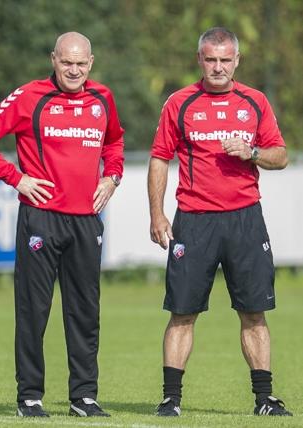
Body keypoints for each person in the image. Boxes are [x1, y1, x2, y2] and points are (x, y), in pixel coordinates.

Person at [0, 32, 124, 418]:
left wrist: (112, 177)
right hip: (41, 218)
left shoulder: (102, 97)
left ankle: (83, 398)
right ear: (53, 59)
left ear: (91, 63)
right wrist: (15, 178)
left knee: (85, 311)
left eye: (81, 63)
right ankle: (30, 398)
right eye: (66, 62)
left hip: (87, 221)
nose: (74, 70)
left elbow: (114, 143)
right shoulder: (29, 97)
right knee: (34, 310)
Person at [148, 27, 292, 417]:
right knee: (182, 312)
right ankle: (171, 399)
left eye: (225, 60)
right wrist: (157, 212)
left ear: (236, 61)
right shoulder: (180, 102)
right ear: (200, 60)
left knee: (253, 312)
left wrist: (252, 151)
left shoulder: (255, 101)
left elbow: (280, 156)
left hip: (245, 220)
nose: (217, 67)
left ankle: (265, 398)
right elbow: (160, 156)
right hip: (193, 221)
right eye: (210, 59)